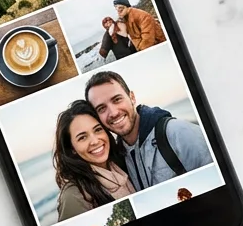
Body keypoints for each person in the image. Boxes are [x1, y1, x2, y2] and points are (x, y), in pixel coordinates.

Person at [84, 70, 213, 191]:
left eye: (117, 100)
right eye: (101, 108)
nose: (113, 113)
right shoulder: (118, 158)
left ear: (132, 98)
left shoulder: (177, 132)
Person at [52, 100, 136, 223]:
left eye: (97, 130)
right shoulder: (75, 195)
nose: (95, 141)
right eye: (82, 137)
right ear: (72, 149)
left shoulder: (122, 164)